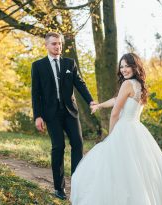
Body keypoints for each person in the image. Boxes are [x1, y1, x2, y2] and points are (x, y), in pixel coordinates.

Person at [70, 53, 162, 204]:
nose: (124, 69)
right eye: (121, 66)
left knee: (116, 169)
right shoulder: (139, 85)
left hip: (124, 129)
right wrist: (100, 105)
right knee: (137, 172)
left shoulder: (127, 84)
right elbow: (117, 100)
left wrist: (111, 136)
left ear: (135, 66)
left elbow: (115, 113)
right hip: (137, 129)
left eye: (127, 66)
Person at [31, 32, 95, 200]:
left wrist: (90, 101)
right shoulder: (38, 66)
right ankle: (59, 188)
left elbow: (80, 84)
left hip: (70, 112)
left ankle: (77, 183)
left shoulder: (69, 63)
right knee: (58, 147)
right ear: (46, 45)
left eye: (59, 43)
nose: (57, 46)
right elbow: (35, 93)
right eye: (53, 44)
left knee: (78, 145)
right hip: (51, 114)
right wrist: (37, 116)